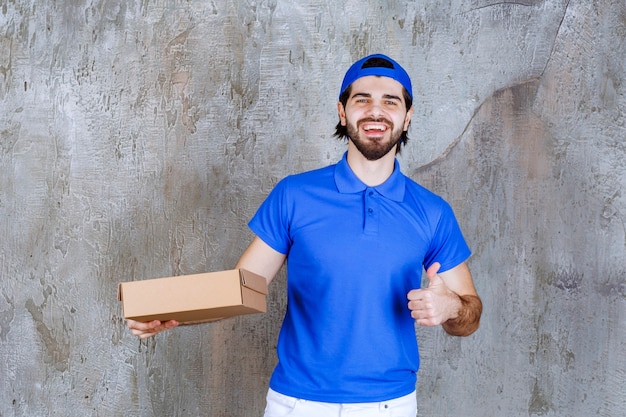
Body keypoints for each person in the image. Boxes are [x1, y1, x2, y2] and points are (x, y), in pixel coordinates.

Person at [127, 53, 482, 417]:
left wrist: (451, 306)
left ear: (407, 118)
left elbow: (470, 312)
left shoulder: (433, 212)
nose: (376, 111)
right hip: (297, 404)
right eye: (362, 100)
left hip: (390, 405)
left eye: (390, 102)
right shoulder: (294, 195)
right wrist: (171, 315)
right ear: (343, 113)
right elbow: (242, 286)